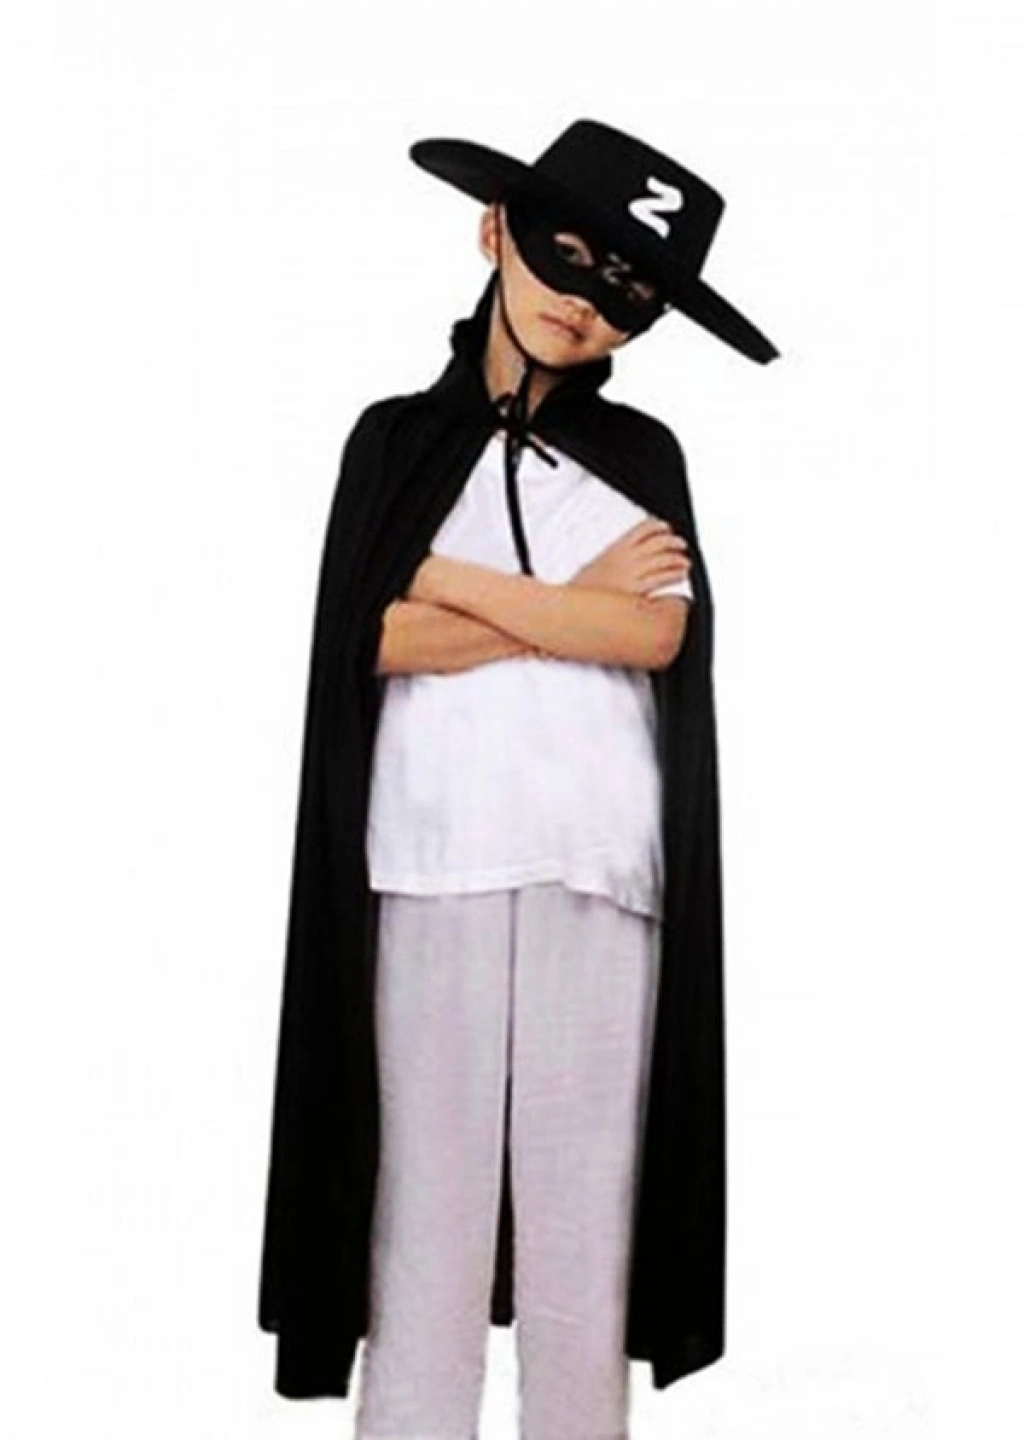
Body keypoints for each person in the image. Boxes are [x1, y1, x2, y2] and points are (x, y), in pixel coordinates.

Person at [257, 118, 779, 1437]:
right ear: (495, 231)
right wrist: (565, 602)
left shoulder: (643, 457)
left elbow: (653, 634)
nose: (585, 301)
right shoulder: (392, 446)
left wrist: (448, 582)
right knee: (419, 1215)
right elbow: (370, 639)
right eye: (568, 257)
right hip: (423, 860)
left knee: (583, 1223)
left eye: (628, 292)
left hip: (601, 866)